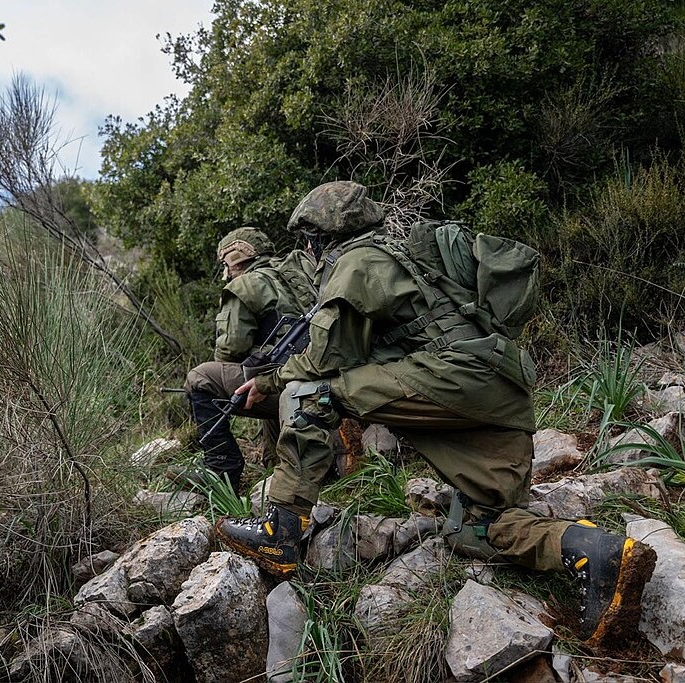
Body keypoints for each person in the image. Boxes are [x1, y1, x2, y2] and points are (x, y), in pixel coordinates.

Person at [215, 181, 657, 650]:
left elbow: (324, 360)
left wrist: (267, 383)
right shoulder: (408, 255)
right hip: (501, 397)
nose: (307, 249)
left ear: (320, 238)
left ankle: (280, 531)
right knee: (480, 530)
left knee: (308, 394)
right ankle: (597, 552)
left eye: (309, 240)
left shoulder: (358, 263)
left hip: (459, 381)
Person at [171, 226, 317, 495]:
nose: (226, 273)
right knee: (265, 365)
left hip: (290, 384)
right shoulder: (301, 271)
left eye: (226, 264)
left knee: (201, 379)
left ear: (238, 257)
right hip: (319, 379)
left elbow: (229, 352)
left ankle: (221, 470)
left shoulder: (245, 285)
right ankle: (277, 462)